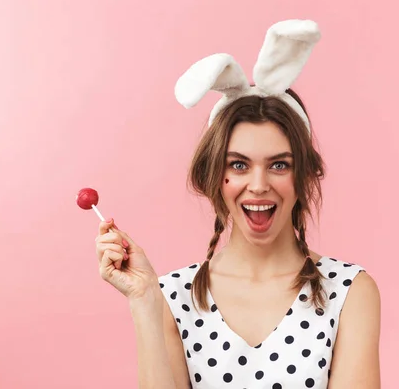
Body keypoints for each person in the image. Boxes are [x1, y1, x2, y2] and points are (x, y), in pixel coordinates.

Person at [95, 20, 381, 388]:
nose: (258, 186)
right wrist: (144, 300)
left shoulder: (350, 292)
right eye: (239, 165)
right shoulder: (171, 296)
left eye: (279, 165)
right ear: (215, 175)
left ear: (304, 176)